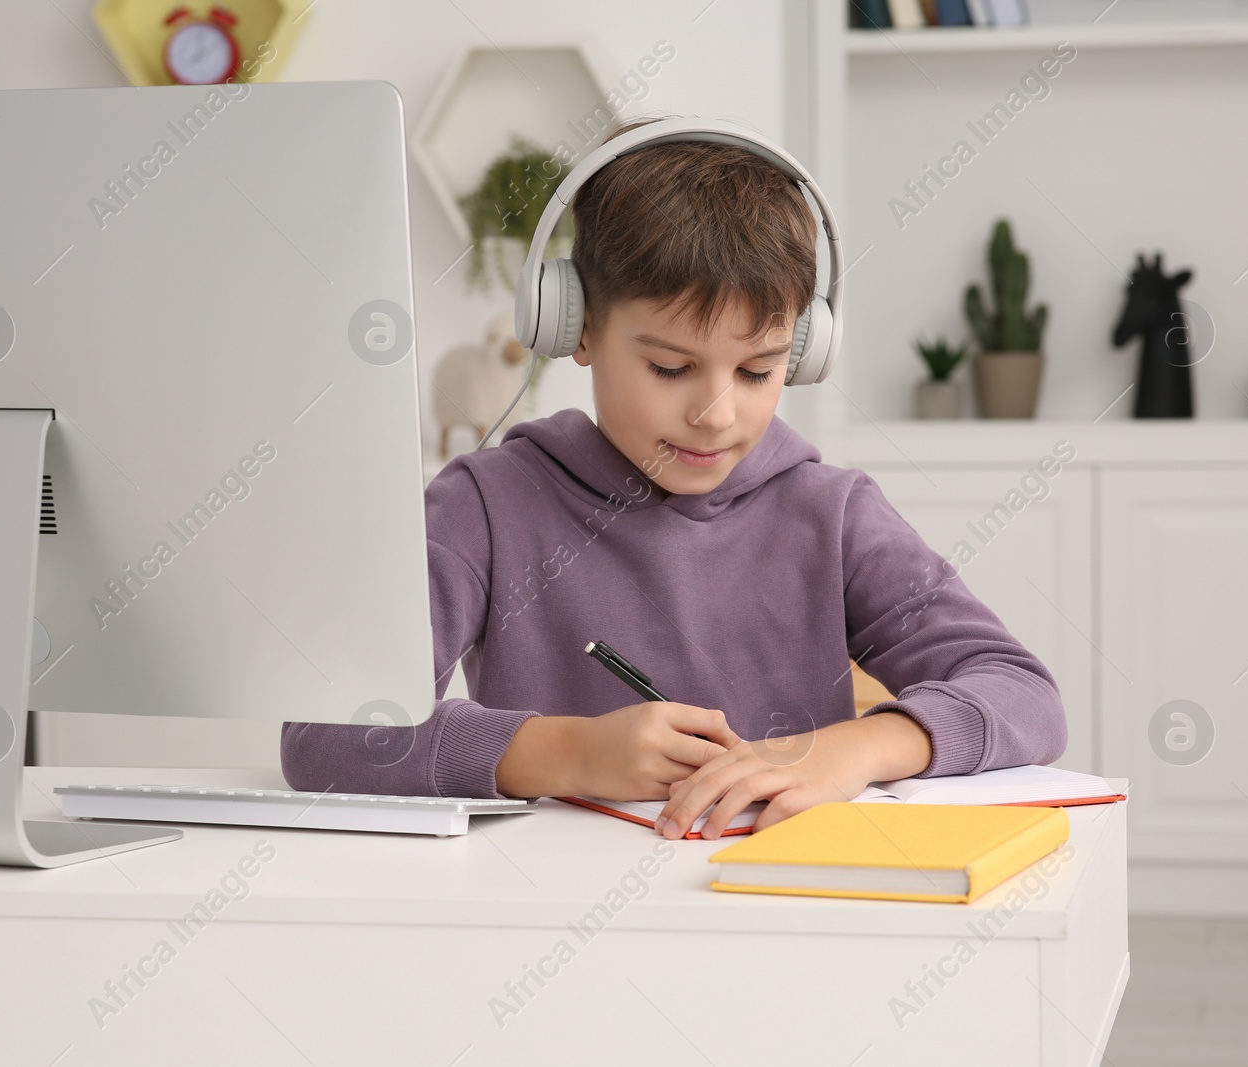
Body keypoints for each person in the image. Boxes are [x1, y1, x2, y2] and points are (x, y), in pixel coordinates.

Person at [282, 118, 1067, 840]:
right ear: (576, 326)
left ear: (803, 352)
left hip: (781, 917)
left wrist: (855, 749)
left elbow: (1023, 693)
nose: (716, 414)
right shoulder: (486, 505)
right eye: (669, 366)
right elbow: (321, 736)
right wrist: (565, 750)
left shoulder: (832, 514)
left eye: (758, 371)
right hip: (536, 918)